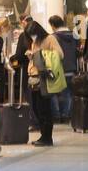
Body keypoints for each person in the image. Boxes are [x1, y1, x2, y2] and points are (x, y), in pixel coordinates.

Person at [25, 19, 64, 147]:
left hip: (44, 78)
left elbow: (59, 54)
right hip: (33, 78)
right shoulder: (34, 41)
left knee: (44, 109)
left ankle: (47, 137)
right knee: (36, 108)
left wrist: (41, 54)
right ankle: (43, 135)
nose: (32, 37)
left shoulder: (50, 39)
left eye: (33, 34)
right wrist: (32, 56)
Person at [49, 15, 78, 123]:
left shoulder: (54, 37)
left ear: (52, 25)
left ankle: (57, 115)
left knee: (54, 92)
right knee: (69, 93)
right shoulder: (74, 35)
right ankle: (67, 114)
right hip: (72, 68)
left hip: (59, 68)